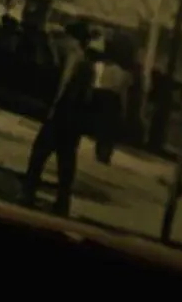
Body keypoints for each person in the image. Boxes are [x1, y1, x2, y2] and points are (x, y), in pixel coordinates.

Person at [20, 21, 92, 215]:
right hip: (76, 117)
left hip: (63, 112)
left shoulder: (74, 56)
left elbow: (65, 82)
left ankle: (28, 193)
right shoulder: (85, 60)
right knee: (66, 161)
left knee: (39, 153)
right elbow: (87, 95)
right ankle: (62, 203)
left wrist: (54, 107)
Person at [87, 43, 132, 165]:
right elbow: (123, 92)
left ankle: (100, 151)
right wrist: (124, 109)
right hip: (112, 99)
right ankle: (104, 153)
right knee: (109, 128)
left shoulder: (98, 66)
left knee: (101, 125)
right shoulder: (121, 72)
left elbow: (93, 84)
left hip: (100, 96)